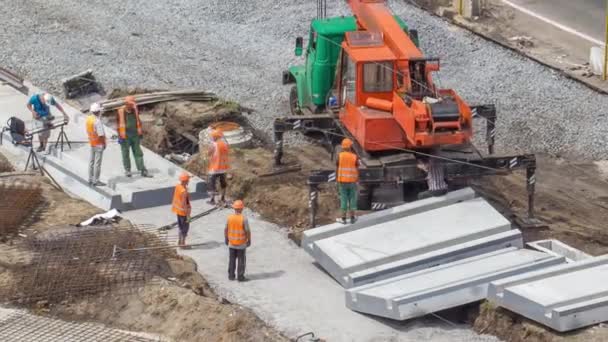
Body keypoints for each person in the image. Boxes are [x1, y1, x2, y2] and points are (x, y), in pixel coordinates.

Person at [116, 95, 152, 178]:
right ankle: (128, 170)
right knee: (125, 153)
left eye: (133, 104)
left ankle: (142, 170)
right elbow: (118, 124)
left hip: (135, 135)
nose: (132, 106)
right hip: (125, 136)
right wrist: (119, 136)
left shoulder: (135, 110)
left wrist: (140, 133)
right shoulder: (120, 111)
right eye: (130, 104)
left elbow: (138, 121)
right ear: (126, 104)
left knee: (138, 153)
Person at [224, 200, 251, 282]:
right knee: (241, 260)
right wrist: (249, 240)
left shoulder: (229, 217)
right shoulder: (244, 219)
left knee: (232, 260)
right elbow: (247, 231)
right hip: (241, 244)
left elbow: (226, 229)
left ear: (234, 208)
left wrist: (226, 238)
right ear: (241, 209)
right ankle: (240, 277)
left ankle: (231, 276)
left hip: (231, 243)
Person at [336, 138, 359, 224]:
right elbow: (357, 168)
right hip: (352, 182)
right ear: (350, 146)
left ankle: (343, 219)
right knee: (352, 198)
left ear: (343, 147)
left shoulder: (340, 156)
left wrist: (337, 179)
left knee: (344, 199)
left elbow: (337, 168)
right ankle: (352, 218)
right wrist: (357, 179)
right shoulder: (354, 156)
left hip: (342, 181)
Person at [86, 103, 106, 186]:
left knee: (91, 162)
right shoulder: (97, 122)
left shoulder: (89, 119)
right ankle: (96, 180)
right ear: (98, 111)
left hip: (92, 143)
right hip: (98, 144)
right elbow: (101, 135)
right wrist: (104, 144)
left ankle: (90, 179)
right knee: (97, 163)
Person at [207, 129, 229, 205]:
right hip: (223, 168)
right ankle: (222, 198)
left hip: (215, 168)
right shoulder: (225, 144)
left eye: (212, 136)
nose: (211, 137)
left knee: (212, 184)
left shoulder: (214, 144)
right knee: (223, 183)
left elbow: (209, 153)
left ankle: (212, 200)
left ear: (215, 137)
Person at [172, 172, 192, 247]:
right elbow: (184, 204)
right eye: (188, 180)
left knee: (180, 226)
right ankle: (182, 244)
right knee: (185, 228)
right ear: (185, 181)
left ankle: (180, 241)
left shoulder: (178, 186)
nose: (189, 181)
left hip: (178, 211)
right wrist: (188, 215)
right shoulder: (183, 192)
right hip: (184, 213)